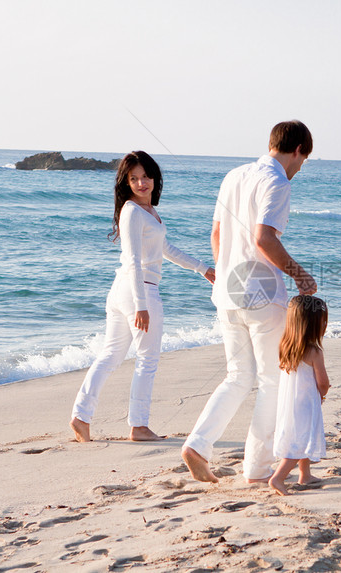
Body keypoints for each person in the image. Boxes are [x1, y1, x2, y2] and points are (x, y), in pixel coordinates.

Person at [182, 120, 317, 483]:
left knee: (238, 377)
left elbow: (216, 234)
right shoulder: (277, 182)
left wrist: (226, 272)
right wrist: (300, 275)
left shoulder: (234, 176)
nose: (302, 166)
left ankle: (198, 444)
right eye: (305, 159)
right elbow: (263, 240)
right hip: (261, 294)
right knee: (273, 381)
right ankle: (256, 468)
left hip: (227, 290)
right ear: (298, 151)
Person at [70, 151, 215, 443]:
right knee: (147, 360)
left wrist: (203, 269)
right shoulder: (133, 211)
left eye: (145, 177)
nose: (141, 183)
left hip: (124, 289)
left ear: (154, 178)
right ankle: (138, 426)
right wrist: (141, 306)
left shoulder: (147, 211)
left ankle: (81, 416)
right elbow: (135, 259)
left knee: (111, 355)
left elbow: (165, 248)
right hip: (140, 289)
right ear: (126, 181)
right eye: (134, 178)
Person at [269, 295, 330, 496]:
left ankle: (305, 474)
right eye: (323, 321)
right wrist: (322, 394)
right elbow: (322, 382)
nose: (325, 325)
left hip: (289, 403)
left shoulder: (286, 346)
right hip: (306, 403)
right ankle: (278, 478)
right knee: (300, 441)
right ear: (313, 325)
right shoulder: (314, 351)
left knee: (301, 437)